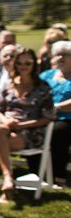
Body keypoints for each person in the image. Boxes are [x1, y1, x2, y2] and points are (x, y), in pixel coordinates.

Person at [0, 46, 54, 200]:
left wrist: (22, 125)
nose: (23, 66)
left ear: (34, 64)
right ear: (15, 64)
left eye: (28, 63)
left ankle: (5, 179)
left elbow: (48, 117)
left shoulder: (42, 88)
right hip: (6, 128)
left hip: (31, 132)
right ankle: (7, 180)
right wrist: (7, 120)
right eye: (20, 63)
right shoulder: (9, 85)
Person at [39, 40, 71, 187]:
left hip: (66, 118)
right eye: (57, 54)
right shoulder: (46, 75)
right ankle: (39, 173)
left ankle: (59, 175)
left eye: (65, 54)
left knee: (58, 131)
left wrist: (56, 107)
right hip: (44, 117)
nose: (61, 58)